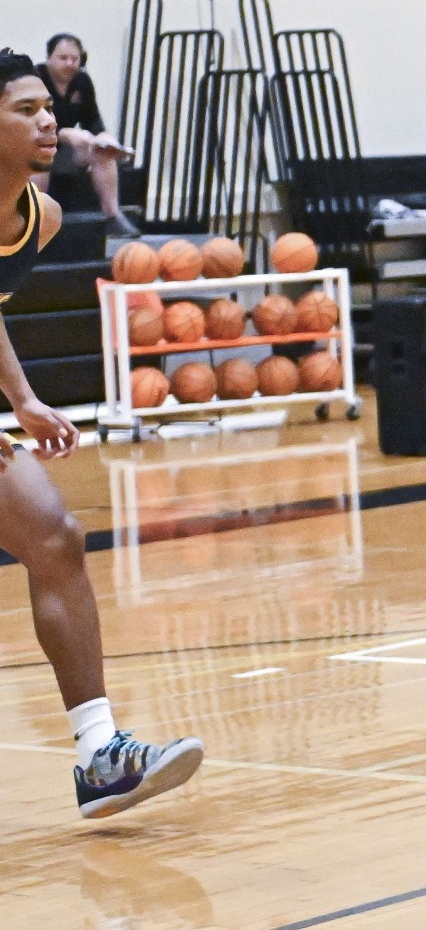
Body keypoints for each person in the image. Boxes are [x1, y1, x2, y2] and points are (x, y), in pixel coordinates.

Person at [0, 50, 204, 818]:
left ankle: (99, 754)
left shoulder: (41, 217)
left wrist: (22, 397)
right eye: (25, 109)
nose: (46, 119)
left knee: (53, 537)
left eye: (46, 107)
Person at [33, 34, 129, 228]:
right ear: (49, 58)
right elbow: (28, 125)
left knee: (102, 151)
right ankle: (35, 218)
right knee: (38, 156)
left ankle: (113, 216)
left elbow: (92, 120)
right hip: (32, 146)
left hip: (63, 153)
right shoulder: (34, 79)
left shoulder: (82, 81)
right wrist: (62, 134)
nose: (69, 64)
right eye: (63, 58)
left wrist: (104, 138)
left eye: (74, 59)